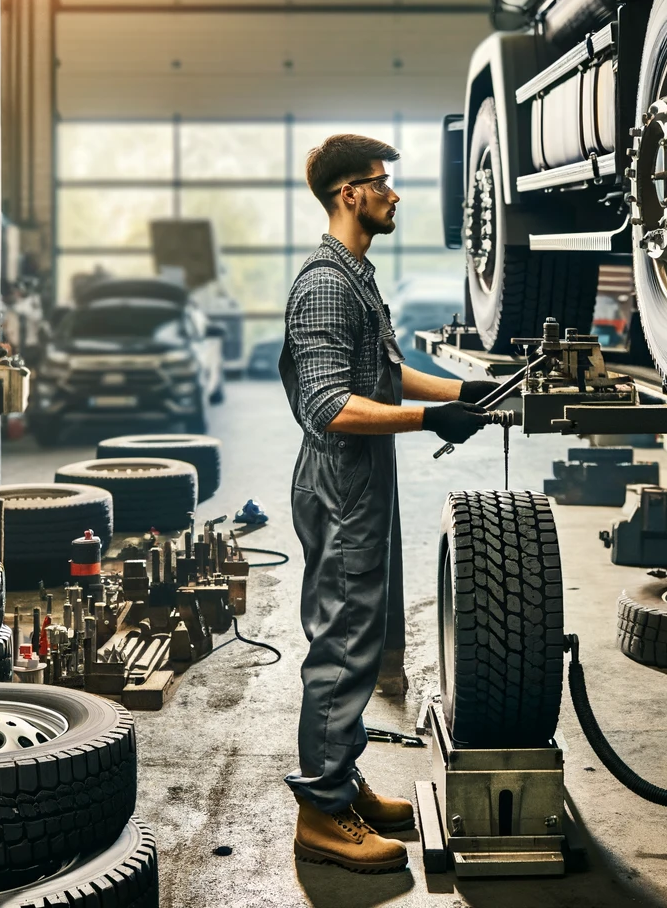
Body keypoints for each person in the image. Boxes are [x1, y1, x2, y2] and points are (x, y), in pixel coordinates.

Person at [278, 134, 499, 873]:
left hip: (362, 475)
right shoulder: (325, 285)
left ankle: (341, 781)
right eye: (381, 183)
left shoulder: (357, 276)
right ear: (349, 194)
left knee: (361, 636)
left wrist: (462, 393)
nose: (394, 194)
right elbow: (327, 406)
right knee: (342, 644)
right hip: (340, 479)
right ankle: (321, 811)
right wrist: (431, 422)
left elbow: (389, 374)